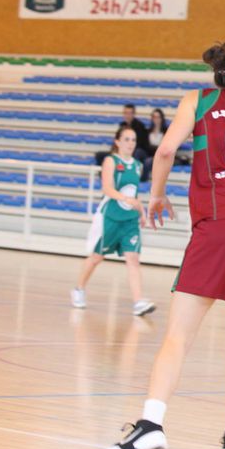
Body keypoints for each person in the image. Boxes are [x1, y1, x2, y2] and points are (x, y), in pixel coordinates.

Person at [95, 40, 225, 449]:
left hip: (218, 226)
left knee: (179, 336)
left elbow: (164, 151)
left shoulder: (198, 101)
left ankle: (151, 423)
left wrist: (158, 194)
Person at [72, 126, 155, 317]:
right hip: (110, 216)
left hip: (129, 220)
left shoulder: (137, 165)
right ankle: (79, 289)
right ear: (117, 141)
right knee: (96, 257)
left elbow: (134, 193)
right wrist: (126, 200)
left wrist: (141, 212)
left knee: (133, 258)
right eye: (126, 139)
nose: (130, 143)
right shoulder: (110, 160)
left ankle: (138, 302)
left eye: (133, 140)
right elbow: (107, 189)